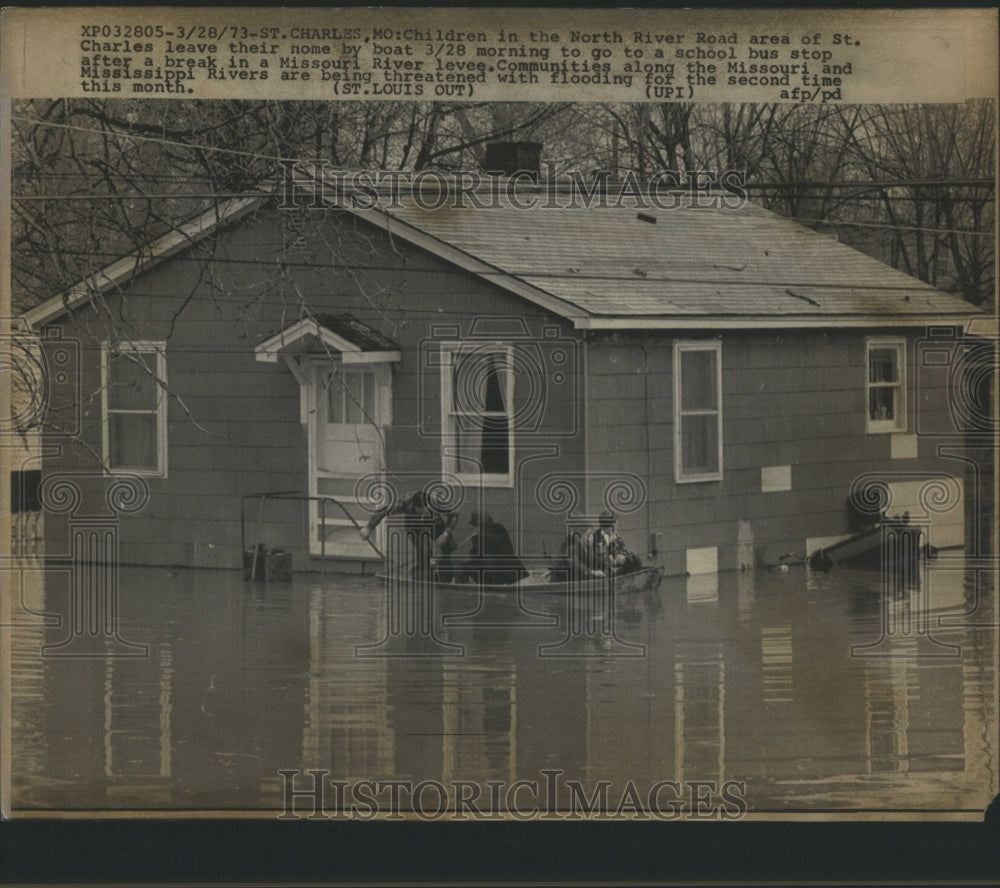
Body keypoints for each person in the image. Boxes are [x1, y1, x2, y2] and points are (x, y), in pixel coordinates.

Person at [360, 489, 459, 580]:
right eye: (420, 512)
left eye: (425, 512)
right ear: (414, 506)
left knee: (449, 546)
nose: (422, 515)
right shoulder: (405, 501)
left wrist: (445, 534)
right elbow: (384, 510)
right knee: (425, 551)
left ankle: (446, 575)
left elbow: (454, 514)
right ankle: (421, 575)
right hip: (414, 524)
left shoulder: (436, 502)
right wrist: (369, 528)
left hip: (434, 522)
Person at [454, 510, 528, 586]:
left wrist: (477, 537)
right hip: (502, 574)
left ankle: (462, 588)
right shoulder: (497, 529)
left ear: (480, 522)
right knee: (465, 564)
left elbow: (477, 553)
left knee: (463, 565)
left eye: (475, 524)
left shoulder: (496, 530)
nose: (475, 527)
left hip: (498, 575)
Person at [567, 510, 642, 578]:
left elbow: (622, 547)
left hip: (610, 567)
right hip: (597, 572)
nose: (590, 538)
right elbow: (579, 564)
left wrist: (621, 555)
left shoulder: (616, 535)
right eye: (588, 536)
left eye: (590, 536)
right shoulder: (577, 547)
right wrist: (595, 571)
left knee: (635, 560)